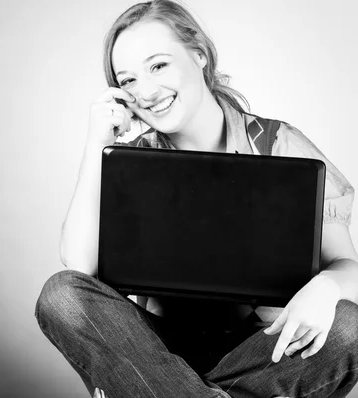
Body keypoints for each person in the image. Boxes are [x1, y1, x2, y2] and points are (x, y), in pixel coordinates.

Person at [35, 1, 358, 397]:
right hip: (159, 353)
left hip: (267, 349)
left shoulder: (279, 144)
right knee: (61, 295)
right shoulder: (130, 162)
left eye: (158, 66)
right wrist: (96, 144)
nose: (147, 91)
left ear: (199, 55)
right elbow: (80, 268)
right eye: (129, 80)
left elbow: (348, 267)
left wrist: (326, 288)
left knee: (348, 325)